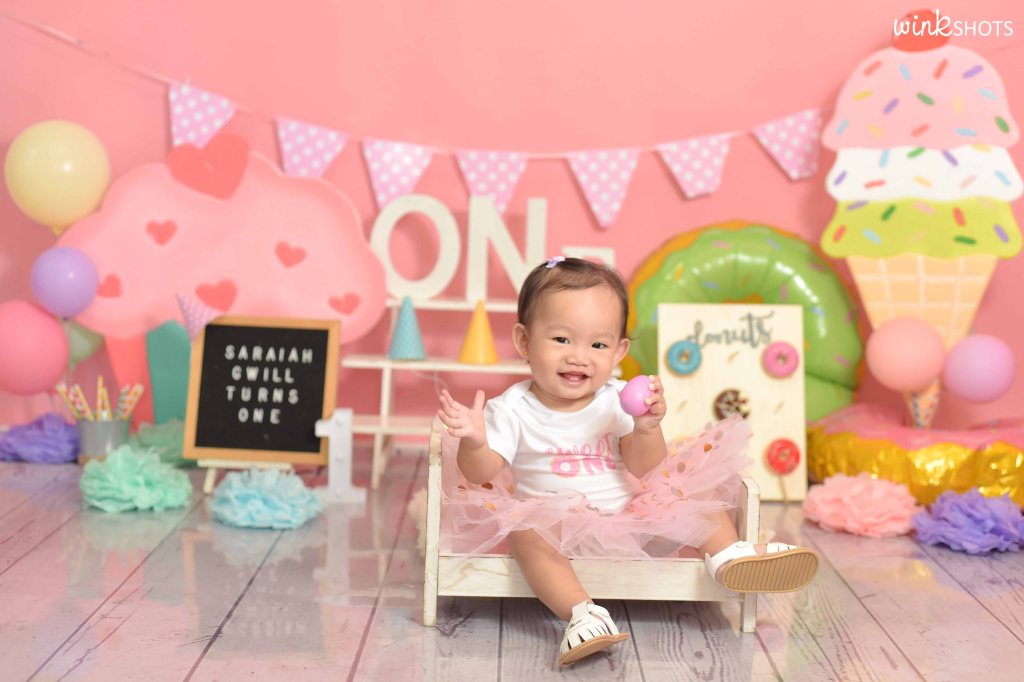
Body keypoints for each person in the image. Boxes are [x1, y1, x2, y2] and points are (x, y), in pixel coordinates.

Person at [437, 256, 818, 666]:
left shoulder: (616, 399)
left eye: (598, 345)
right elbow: (481, 473)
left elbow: (645, 466)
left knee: (693, 493)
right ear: (525, 341)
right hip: (556, 526)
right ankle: (583, 614)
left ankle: (729, 556)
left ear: (619, 351)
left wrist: (647, 427)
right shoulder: (512, 408)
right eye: (561, 339)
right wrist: (475, 442)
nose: (579, 356)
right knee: (524, 534)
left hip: (628, 521)